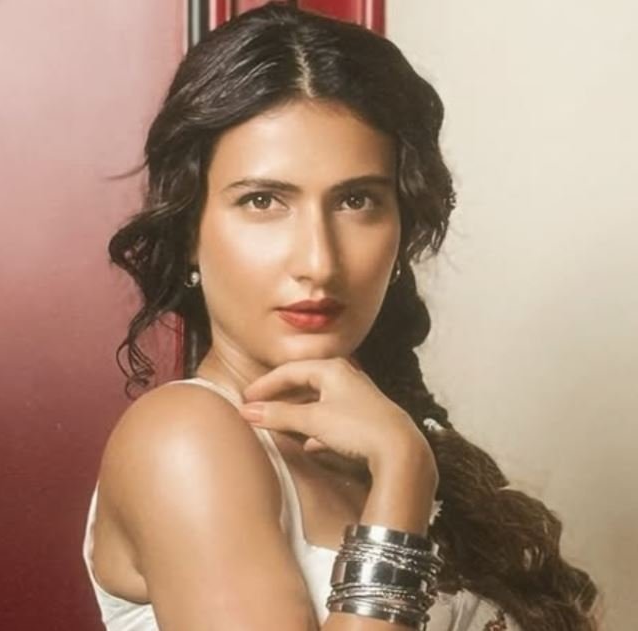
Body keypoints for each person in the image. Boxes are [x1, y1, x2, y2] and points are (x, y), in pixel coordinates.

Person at [83, 4, 599, 630]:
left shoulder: (381, 430)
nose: (319, 261)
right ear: (190, 230)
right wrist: (402, 471)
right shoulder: (185, 438)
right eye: (263, 201)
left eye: (357, 200)